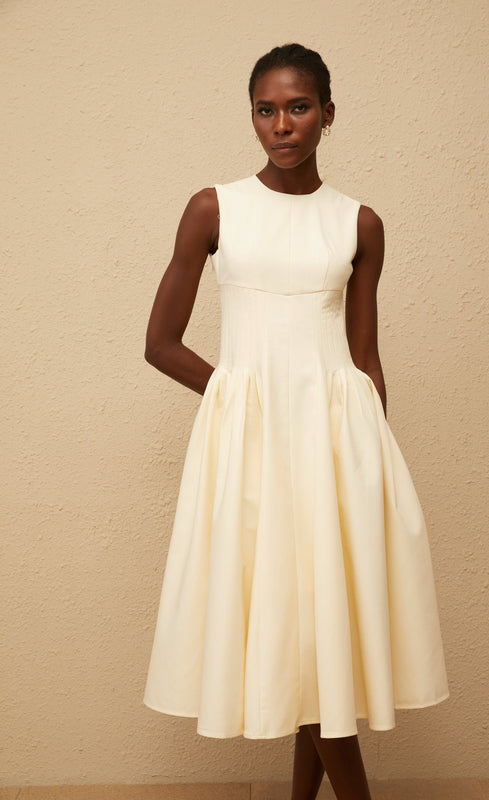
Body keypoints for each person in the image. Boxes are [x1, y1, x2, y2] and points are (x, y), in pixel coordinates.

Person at [143, 43, 449, 800]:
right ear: (253, 118)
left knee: (320, 637)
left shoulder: (359, 223)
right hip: (249, 446)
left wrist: (374, 460)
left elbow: (365, 359)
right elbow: (159, 344)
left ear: (327, 115)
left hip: (335, 448)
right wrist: (235, 397)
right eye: (266, 109)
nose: (281, 124)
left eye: (298, 107)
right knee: (290, 624)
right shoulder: (214, 208)